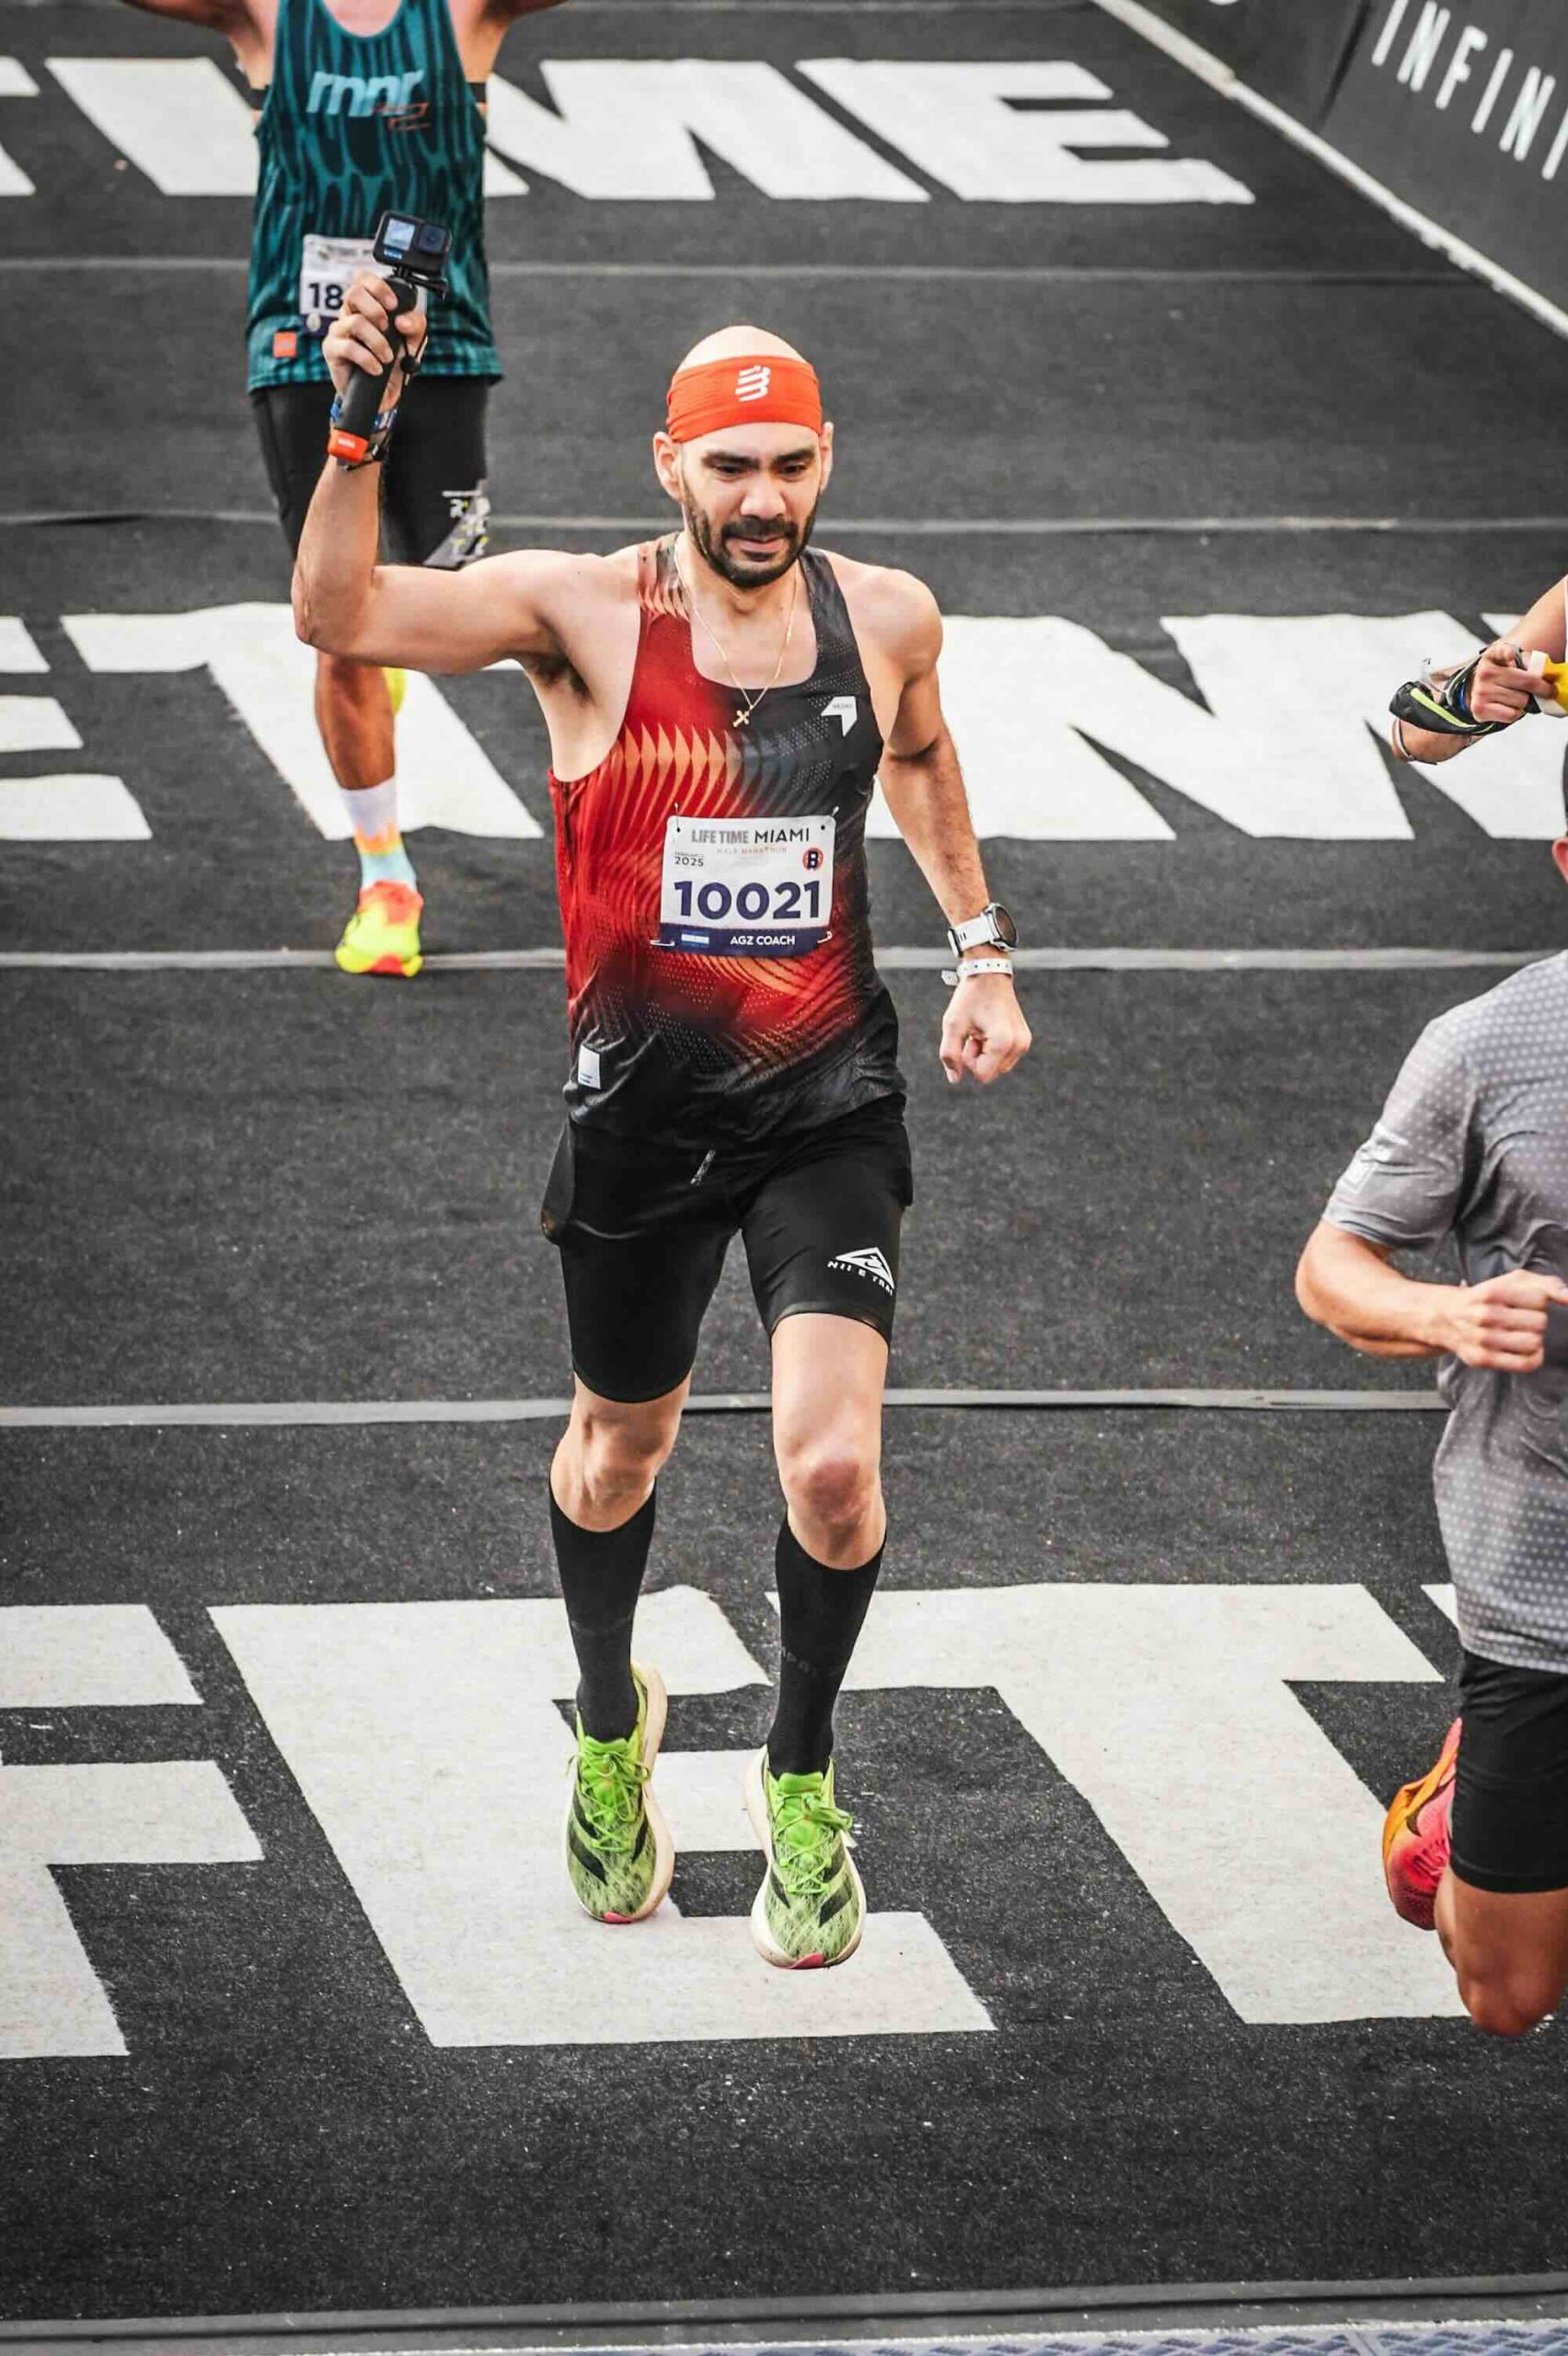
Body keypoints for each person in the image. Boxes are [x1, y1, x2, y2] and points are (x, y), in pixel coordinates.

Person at [293, 292, 1032, 1967]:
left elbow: (918, 755)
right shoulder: (582, 613)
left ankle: (801, 1776)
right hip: (639, 1124)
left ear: (825, 459)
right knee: (618, 1451)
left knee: (830, 1466)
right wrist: (356, 428)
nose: (761, 501)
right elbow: (336, 609)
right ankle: (611, 1726)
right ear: (668, 466)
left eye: (788, 466)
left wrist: (980, 948)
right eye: (728, 468)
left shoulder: (887, 616)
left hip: (825, 1107)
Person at [119, 0, 567, 976]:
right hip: (302, 348)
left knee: (462, 604)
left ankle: (391, 644)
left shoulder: (459, 14)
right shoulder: (271, 16)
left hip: (441, 345)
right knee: (338, 618)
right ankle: (385, 875)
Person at [1297, 582, 1568, 2035]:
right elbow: (1420, 725)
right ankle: (1462, 1795)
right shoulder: (1491, 1045)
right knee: (1506, 1993)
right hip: (1548, 1559)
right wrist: (1451, 1320)